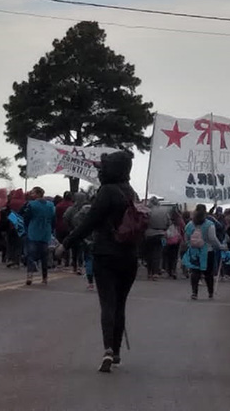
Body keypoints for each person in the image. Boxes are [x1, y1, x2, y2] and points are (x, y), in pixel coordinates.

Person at [61, 151, 140, 373]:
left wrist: (65, 244)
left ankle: (107, 349)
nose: (99, 171)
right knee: (120, 304)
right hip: (129, 256)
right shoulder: (131, 193)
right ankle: (116, 352)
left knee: (108, 303)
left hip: (105, 254)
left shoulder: (107, 192)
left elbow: (89, 223)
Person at [183, 204, 224, 300]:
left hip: (194, 251)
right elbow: (212, 238)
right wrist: (219, 246)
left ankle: (194, 292)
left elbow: (186, 237)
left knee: (195, 272)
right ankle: (210, 292)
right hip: (208, 251)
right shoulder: (209, 224)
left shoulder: (190, 224)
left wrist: (190, 245)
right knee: (208, 273)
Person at [22, 186, 55, 286]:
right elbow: (54, 219)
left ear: (37, 194)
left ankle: (30, 275)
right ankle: (44, 277)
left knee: (31, 255)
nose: (31, 195)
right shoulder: (50, 205)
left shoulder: (31, 205)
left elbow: (26, 217)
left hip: (33, 231)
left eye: (32, 193)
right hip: (45, 232)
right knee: (44, 256)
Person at [143, 197, 170, 280]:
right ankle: (155, 272)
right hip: (161, 234)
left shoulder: (147, 211)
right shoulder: (165, 211)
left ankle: (149, 272)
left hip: (149, 234)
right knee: (158, 254)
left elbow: (144, 222)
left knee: (149, 254)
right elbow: (168, 222)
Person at [162, 206, 185, 279]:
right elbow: (183, 227)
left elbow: (164, 227)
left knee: (167, 255)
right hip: (177, 239)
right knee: (174, 256)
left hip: (168, 239)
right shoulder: (179, 219)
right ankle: (173, 270)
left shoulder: (167, 218)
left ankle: (168, 271)